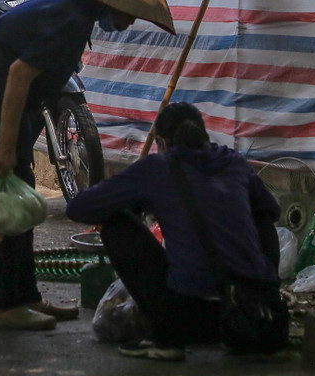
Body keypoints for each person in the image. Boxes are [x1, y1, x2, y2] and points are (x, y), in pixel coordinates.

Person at [0, 0, 178, 331]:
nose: (131, 21)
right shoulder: (70, 20)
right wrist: (4, 145)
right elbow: (18, 76)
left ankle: (24, 297)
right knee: (5, 209)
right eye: (131, 13)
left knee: (16, 199)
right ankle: (5, 307)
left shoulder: (73, 12)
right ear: (111, 2)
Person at [65, 102, 281, 361]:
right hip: (249, 309)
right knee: (262, 214)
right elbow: (270, 212)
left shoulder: (157, 167)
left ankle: (165, 339)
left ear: (161, 141)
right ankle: (266, 295)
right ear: (203, 133)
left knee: (117, 223)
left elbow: (79, 207)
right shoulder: (233, 161)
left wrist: (134, 205)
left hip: (187, 318)